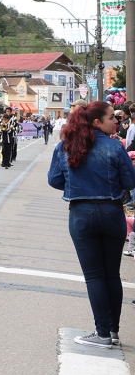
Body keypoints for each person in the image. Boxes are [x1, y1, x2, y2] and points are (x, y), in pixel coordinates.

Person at [48, 101, 135, 350]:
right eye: (111, 118)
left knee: (94, 276)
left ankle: (102, 333)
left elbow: (54, 180)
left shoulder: (66, 146)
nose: (116, 121)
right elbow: (129, 180)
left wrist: (77, 186)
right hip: (112, 212)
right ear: (97, 122)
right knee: (112, 274)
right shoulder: (115, 146)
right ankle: (114, 331)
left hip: (81, 213)